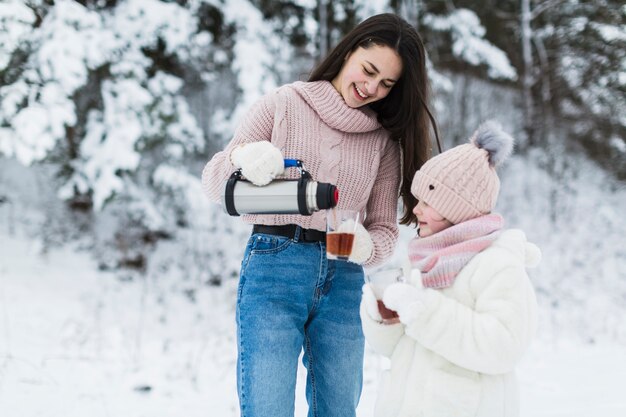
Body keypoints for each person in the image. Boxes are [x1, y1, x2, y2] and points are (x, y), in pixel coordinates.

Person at [201, 13, 440, 417]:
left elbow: (383, 231)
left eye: (387, 84)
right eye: (368, 71)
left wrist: (365, 245)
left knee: (339, 408)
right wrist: (244, 159)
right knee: (268, 407)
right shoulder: (284, 104)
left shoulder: (381, 142)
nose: (371, 88)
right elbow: (213, 181)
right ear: (348, 51)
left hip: (343, 279)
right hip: (274, 266)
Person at [360, 121, 540, 417]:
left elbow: (505, 346)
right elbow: (401, 349)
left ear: (459, 207)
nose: (416, 209)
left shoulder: (497, 263)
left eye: (429, 201)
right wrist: (381, 320)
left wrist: (425, 311)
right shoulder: (422, 258)